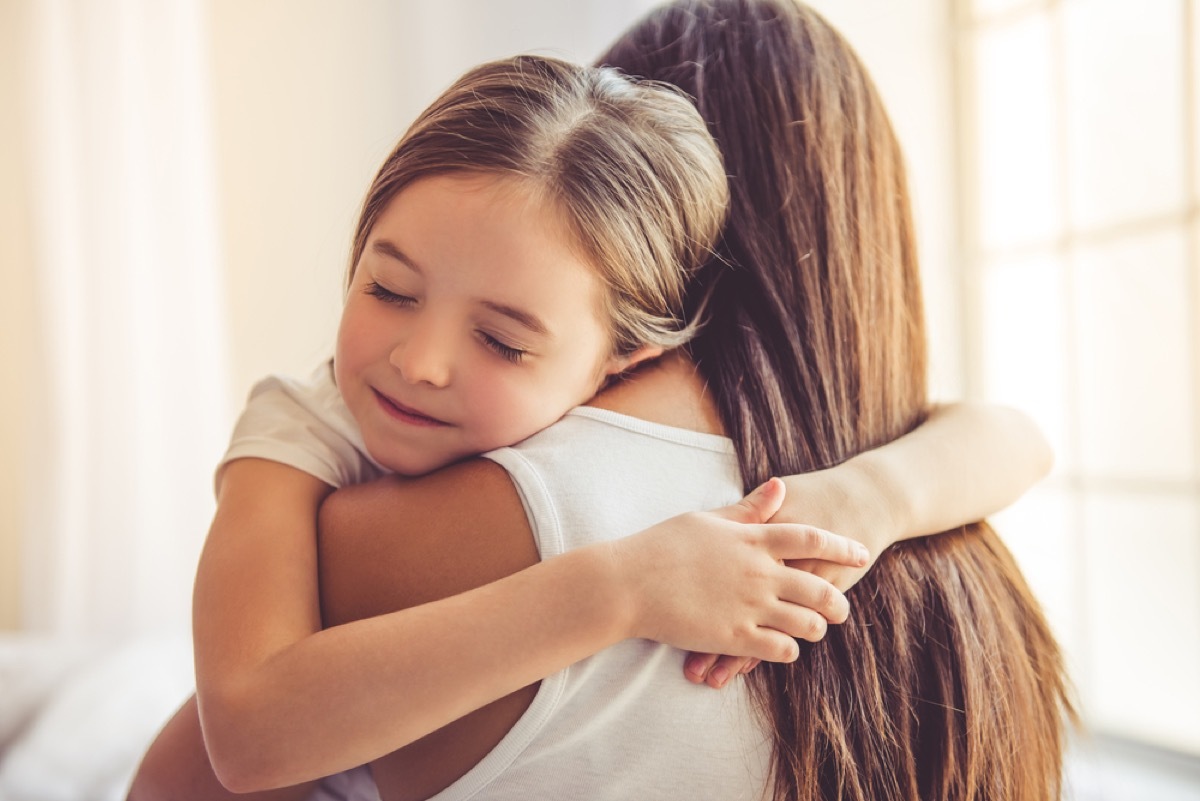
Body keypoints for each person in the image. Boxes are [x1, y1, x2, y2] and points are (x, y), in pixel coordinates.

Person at [128, 4, 1063, 800]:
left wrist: (862, 502)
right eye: (388, 289)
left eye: (503, 338)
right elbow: (234, 737)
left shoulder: (846, 485)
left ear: (629, 349)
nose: (420, 363)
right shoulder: (304, 429)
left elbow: (1021, 436)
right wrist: (621, 585)